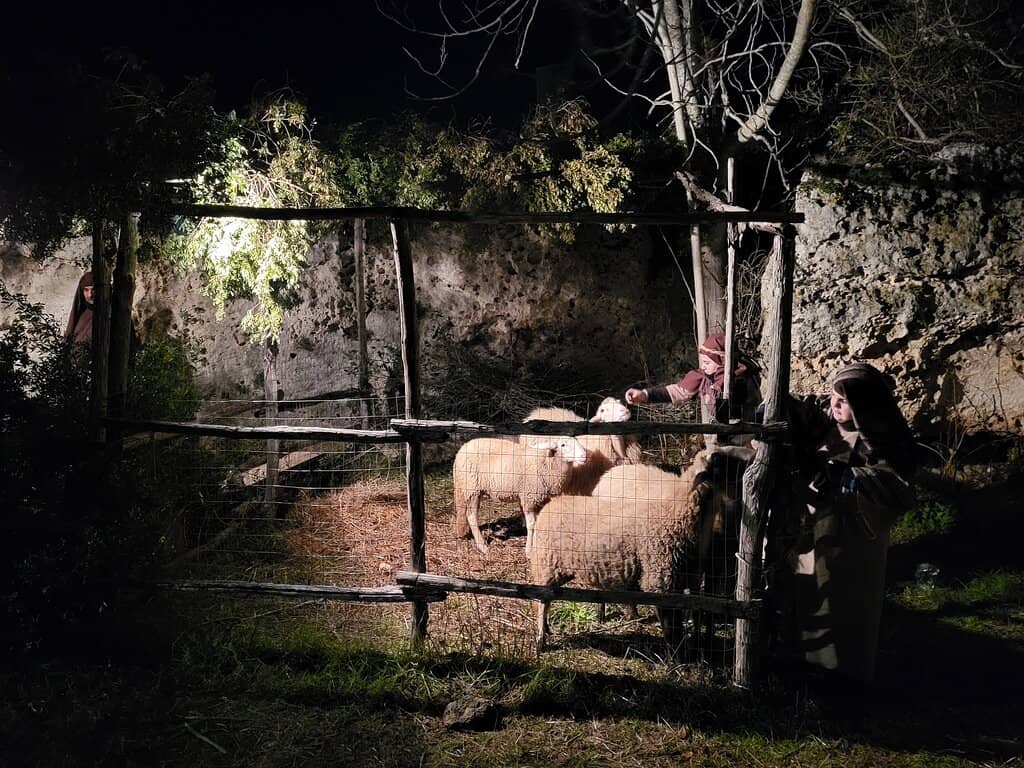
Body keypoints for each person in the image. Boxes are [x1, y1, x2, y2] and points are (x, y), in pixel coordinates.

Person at [779, 362, 917, 685]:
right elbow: (799, 412)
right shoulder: (826, 423)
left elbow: (896, 483)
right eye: (833, 395)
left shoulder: (883, 439)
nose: (835, 403)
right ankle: (805, 661)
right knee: (809, 593)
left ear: (865, 407)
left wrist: (854, 478)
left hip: (854, 544)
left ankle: (844, 676)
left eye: (845, 399)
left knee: (847, 605)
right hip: (814, 532)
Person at [625, 332, 761, 426]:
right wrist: (644, 395)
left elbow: (735, 416)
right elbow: (678, 392)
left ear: (723, 361)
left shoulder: (739, 379)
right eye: (702, 362)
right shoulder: (704, 376)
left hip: (745, 436)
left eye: (707, 363)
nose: (703, 366)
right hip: (723, 437)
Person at [65, 271, 95, 346]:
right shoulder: (81, 314)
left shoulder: (112, 315)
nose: (90, 295)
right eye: (86, 290)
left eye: (93, 290)